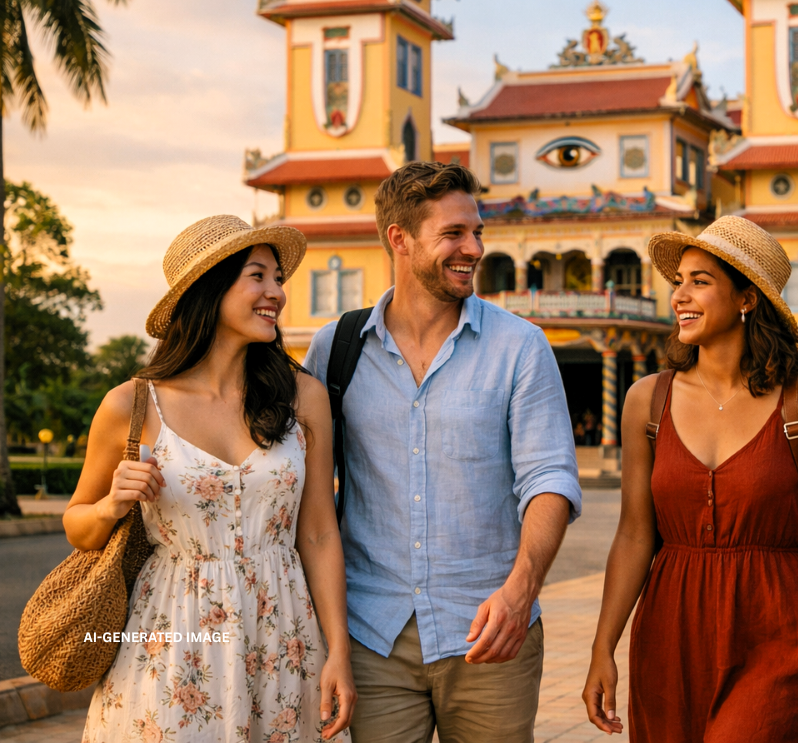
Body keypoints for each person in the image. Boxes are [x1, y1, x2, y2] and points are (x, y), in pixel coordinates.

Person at [303, 161, 582, 742]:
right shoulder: (335, 348)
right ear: (399, 240)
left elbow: (550, 477)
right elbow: (308, 496)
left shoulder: (520, 346)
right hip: (371, 632)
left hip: (492, 630)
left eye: (477, 232)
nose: (474, 249)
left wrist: (521, 589)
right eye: (454, 234)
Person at [582, 216, 798, 742]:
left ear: (747, 298)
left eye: (700, 281)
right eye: (678, 280)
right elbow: (635, 533)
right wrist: (602, 649)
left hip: (780, 627)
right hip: (670, 631)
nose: (680, 294)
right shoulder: (646, 401)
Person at [67, 215, 355, 742]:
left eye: (278, 279)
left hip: (283, 637)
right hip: (172, 641)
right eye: (258, 276)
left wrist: (338, 650)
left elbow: (318, 532)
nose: (277, 293)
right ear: (209, 289)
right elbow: (78, 525)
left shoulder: (303, 397)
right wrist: (112, 504)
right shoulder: (129, 405)